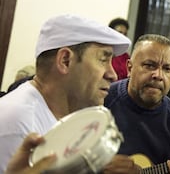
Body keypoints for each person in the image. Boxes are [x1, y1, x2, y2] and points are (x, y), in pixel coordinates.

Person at [0, 14, 131, 173]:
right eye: (103, 60)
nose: (113, 75)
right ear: (65, 61)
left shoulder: (66, 119)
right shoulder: (19, 124)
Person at [104, 34, 170, 173]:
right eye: (149, 65)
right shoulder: (101, 100)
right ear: (129, 68)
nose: (158, 75)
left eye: (167, 69)